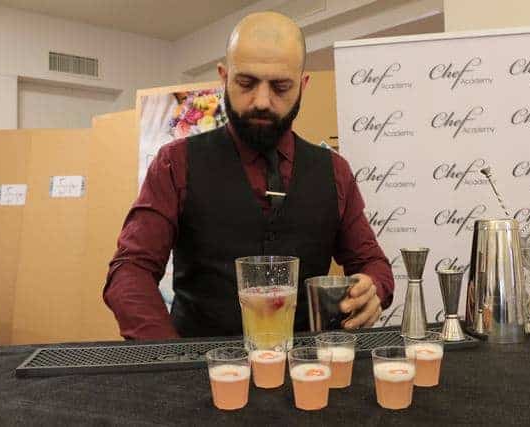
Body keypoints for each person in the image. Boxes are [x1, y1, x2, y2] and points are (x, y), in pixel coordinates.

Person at [103, 11, 394, 340]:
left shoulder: (335, 171)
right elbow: (130, 270)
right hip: (197, 363)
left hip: (306, 364)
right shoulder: (176, 163)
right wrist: (170, 357)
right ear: (224, 77)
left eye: (281, 86)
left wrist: (374, 287)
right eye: (246, 83)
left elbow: (373, 264)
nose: (262, 101)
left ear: (303, 85)